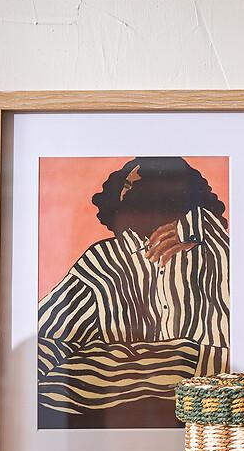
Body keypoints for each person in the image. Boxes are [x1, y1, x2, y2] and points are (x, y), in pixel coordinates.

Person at [37, 157, 229, 428]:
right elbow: (41, 342)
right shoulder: (105, 260)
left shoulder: (217, 252)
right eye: (126, 185)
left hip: (216, 420)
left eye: (143, 185)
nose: (129, 193)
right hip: (115, 422)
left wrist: (196, 228)